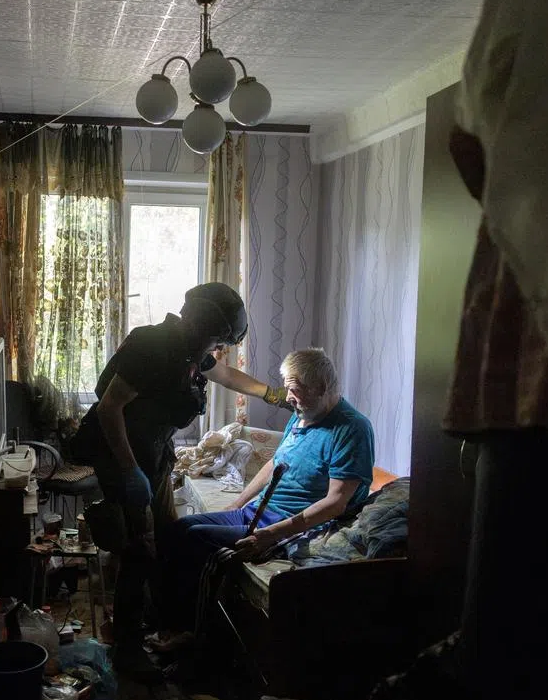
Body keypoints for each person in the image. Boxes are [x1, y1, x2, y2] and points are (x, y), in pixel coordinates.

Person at [73, 281, 287, 678]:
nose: (218, 349)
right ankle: (127, 649)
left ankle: (159, 625)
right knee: (140, 549)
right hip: (121, 454)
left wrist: (272, 394)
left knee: (168, 537)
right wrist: (128, 469)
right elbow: (108, 409)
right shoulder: (151, 346)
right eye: (218, 340)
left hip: (153, 455)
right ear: (204, 327)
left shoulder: (192, 352)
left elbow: (227, 376)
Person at [157, 348, 375, 645]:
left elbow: (337, 502)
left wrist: (269, 535)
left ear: (322, 388)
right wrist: (236, 504)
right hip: (258, 510)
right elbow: (274, 463)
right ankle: (166, 622)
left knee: (197, 538)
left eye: (293, 389)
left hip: (291, 525)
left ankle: (192, 636)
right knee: (177, 529)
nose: (287, 396)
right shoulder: (301, 415)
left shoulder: (352, 429)